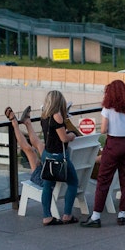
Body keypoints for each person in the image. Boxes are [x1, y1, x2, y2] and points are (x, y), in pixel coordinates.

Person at [80, 80, 125, 228]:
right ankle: (122, 214)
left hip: (113, 145)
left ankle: (96, 216)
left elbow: (103, 130)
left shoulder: (108, 109)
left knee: (104, 179)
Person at [39, 90, 79, 225]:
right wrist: (72, 135)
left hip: (47, 154)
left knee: (47, 185)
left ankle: (47, 216)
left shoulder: (44, 115)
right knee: (73, 182)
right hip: (59, 156)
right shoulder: (57, 116)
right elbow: (63, 138)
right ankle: (67, 214)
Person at [4, 105, 42, 186]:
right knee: (36, 148)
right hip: (52, 175)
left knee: (30, 151)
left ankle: (16, 124)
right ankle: (26, 122)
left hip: (46, 180)